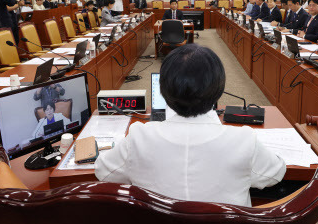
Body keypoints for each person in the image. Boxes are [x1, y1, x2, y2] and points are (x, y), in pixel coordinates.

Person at [95, 44, 286, 206]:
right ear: (218, 90)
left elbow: (102, 171)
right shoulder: (244, 140)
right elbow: (276, 173)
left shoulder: (138, 137)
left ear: (163, 90)